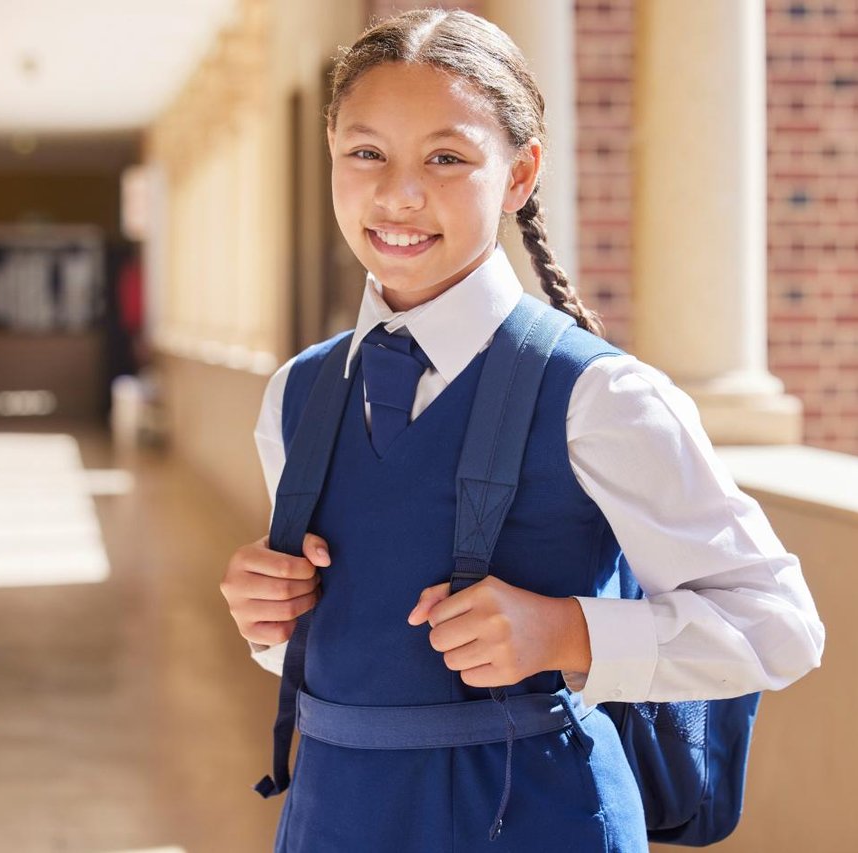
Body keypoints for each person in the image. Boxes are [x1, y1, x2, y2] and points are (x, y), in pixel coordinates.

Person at [219, 9, 825, 852]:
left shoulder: (600, 395)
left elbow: (780, 624)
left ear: (519, 174)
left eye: (447, 157)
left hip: (538, 823)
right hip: (334, 818)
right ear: (330, 151)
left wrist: (570, 632)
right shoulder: (296, 393)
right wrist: (269, 620)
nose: (398, 192)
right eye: (366, 152)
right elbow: (339, 650)